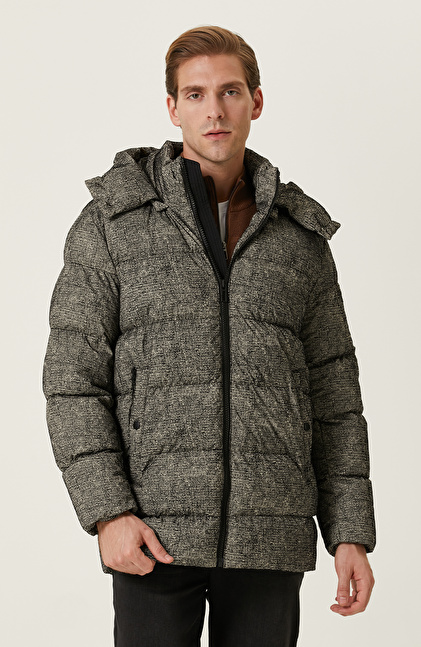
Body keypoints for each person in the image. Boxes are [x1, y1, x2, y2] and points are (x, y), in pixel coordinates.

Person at [43, 25, 376, 647]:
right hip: (152, 534)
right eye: (195, 95)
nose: (214, 110)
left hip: (269, 534)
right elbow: (72, 382)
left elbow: (334, 396)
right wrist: (109, 512)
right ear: (173, 108)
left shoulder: (299, 237)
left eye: (229, 91)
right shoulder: (113, 224)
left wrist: (349, 532)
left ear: (256, 101)